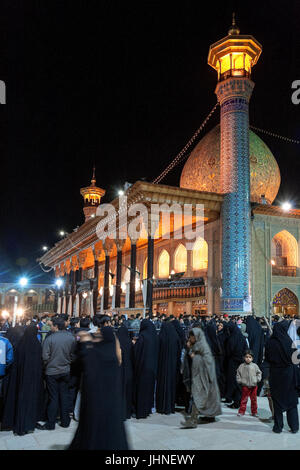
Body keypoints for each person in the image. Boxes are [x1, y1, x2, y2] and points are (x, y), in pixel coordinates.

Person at [69, 326, 128, 450]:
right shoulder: (114, 359)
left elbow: (78, 358)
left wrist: (84, 340)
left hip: (94, 403)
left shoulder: (94, 355)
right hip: (112, 406)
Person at [2, 325, 44, 435]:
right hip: (33, 380)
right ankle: (29, 423)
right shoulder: (37, 345)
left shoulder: (21, 345)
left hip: (21, 380)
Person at [37, 317, 76, 430]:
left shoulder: (50, 339)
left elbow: (45, 357)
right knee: (64, 395)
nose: (51, 327)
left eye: (52, 325)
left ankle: (51, 423)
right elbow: (73, 354)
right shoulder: (71, 337)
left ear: (56, 326)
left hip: (52, 371)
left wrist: (48, 364)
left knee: (53, 397)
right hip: (65, 370)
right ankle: (65, 421)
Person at [181, 328, 222, 428]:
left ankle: (193, 420)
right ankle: (209, 416)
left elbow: (207, 360)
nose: (190, 338)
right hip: (199, 375)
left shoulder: (202, 346)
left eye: (192, 336)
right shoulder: (197, 345)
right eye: (190, 336)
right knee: (203, 396)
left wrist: (192, 354)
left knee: (197, 395)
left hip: (205, 376)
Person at [265, 320, 299, 434]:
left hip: (276, 375)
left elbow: (268, 358)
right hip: (289, 375)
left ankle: (278, 427)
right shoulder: (289, 341)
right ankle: (294, 427)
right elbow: (296, 359)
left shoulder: (270, 342)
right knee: (291, 402)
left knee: (277, 401)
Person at [133, 319, 158, 419]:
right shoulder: (155, 336)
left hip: (143, 367)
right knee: (149, 390)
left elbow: (137, 352)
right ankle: (147, 409)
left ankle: (140, 411)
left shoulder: (143, 336)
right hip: (152, 368)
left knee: (141, 390)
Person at [156, 321, 181, 415]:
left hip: (162, 367)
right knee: (171, 386)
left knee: (162, 385)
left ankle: (161, 407)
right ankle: (170, 406)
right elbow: (179, 352)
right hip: (173, 367)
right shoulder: (175, 337)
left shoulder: (161, 337)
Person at [224, 322, 248, 409]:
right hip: (241, 362)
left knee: (234, 382)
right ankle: (239, 400)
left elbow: (228, 351)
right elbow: (246, 349)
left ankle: (236, 401)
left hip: (233, 363)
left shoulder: (231, 339)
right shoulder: (242, 338)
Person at [236, 350, 262, 417]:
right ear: (244, 358)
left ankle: (254, 412)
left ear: (252, 358)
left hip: (254, 386)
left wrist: (257, 379)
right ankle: (241, 411)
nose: (248, 358)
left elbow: (259, 373)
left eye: (250, 357)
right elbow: (238, 374)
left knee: (254, 400)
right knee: (244, 399)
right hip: (245, 386)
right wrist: (240, 381)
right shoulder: (241, 366)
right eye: (246, 357)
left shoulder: (255, 366)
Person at [116, 323, 134, 420]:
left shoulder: (116, 342)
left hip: (117, 371)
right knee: (127, 392)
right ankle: (127, 413)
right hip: (128, 370)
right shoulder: (129, 342)